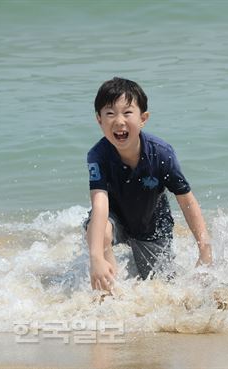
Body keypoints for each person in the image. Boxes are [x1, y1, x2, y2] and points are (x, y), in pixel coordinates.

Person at [84, 77, 212, 291]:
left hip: (152, 225)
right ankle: (111, 295)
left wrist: (204, 248)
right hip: (115, 219)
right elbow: (99, 204)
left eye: (127, 113)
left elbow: (186, 199)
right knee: (100, 232)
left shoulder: (161, 154)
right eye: (110, 113)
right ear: (99, 120)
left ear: (143, 118)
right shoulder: (98, 155)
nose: (119, 121)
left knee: (161, 287)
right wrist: (95, 257)